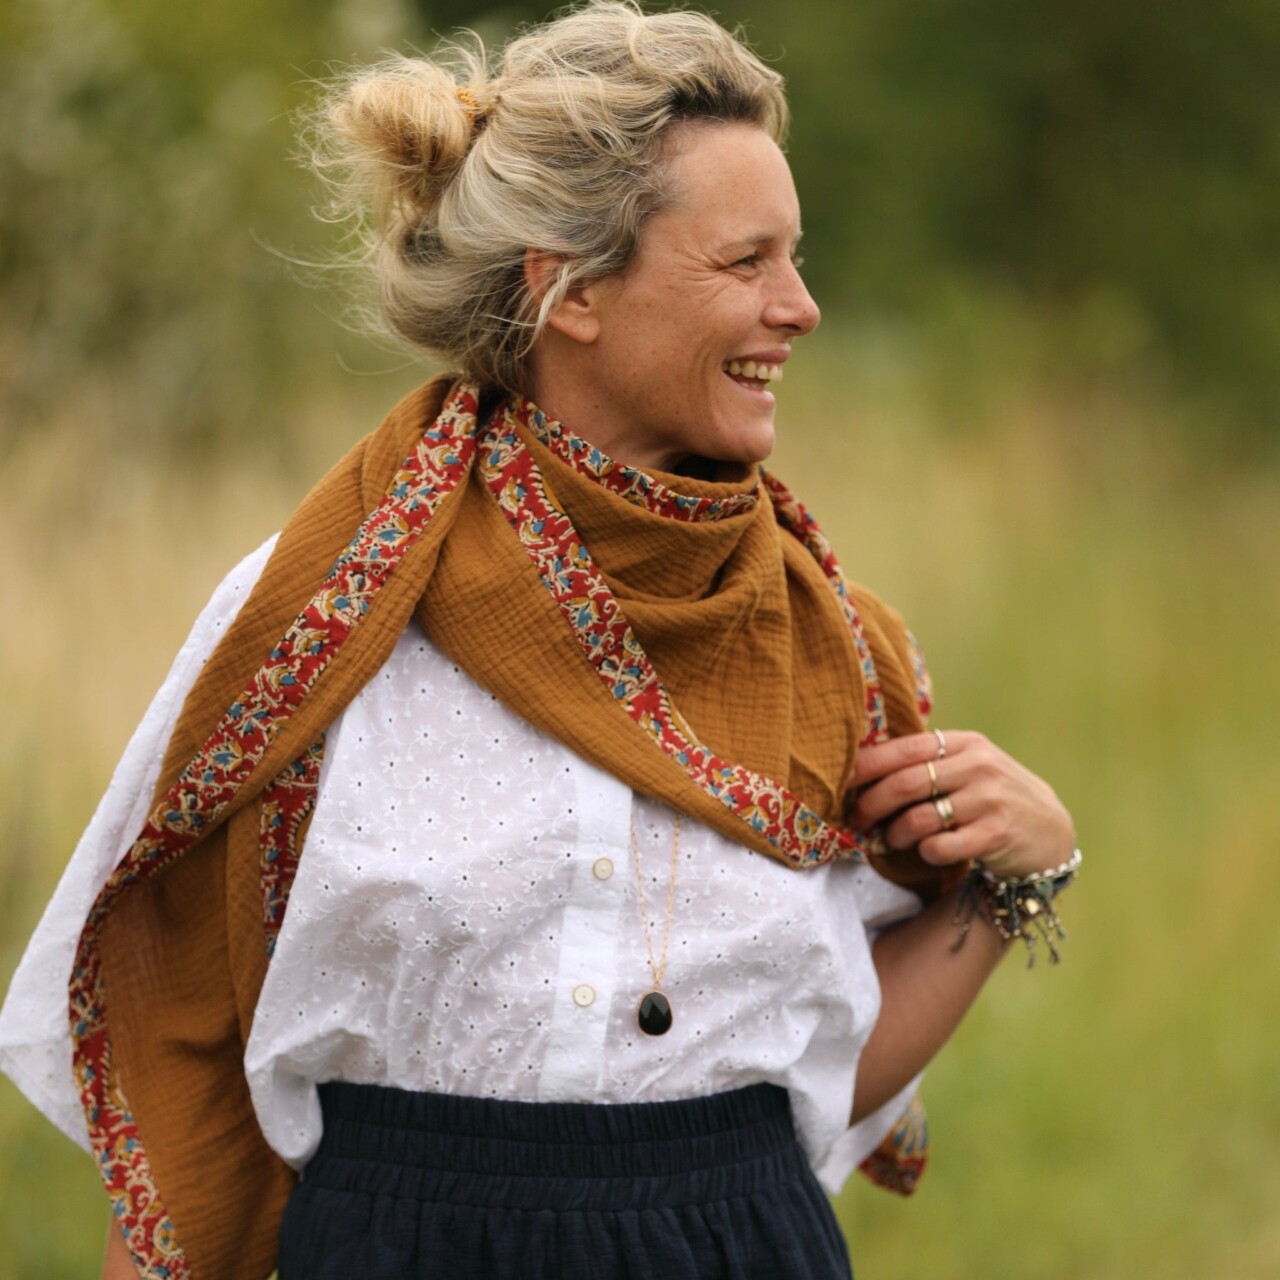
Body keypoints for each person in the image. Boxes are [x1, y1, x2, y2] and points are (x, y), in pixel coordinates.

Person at [0, 3, 1079, 1278]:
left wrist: (1014, 881)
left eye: (793, 258)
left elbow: (808, 1086)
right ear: (566, 288)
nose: (799, 307)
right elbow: (186, 1057)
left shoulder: (822, 643)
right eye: (745, 261)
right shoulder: (322, 620)